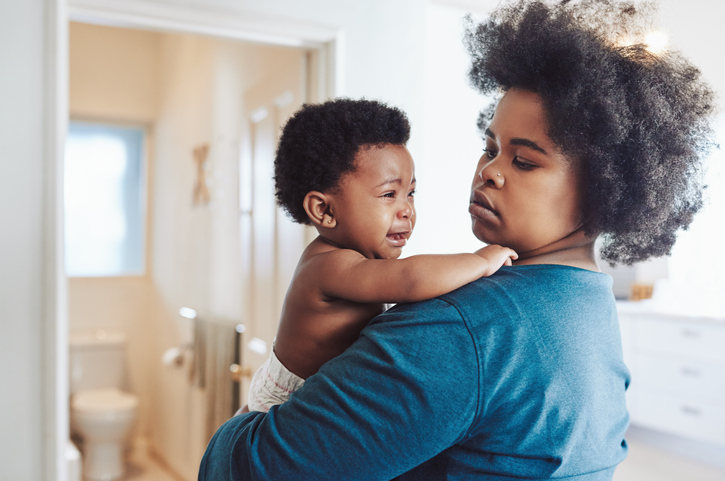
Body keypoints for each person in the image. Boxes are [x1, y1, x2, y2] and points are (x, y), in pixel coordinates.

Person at [199, 0, 716, 479]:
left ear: (604, 187)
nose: (489, 171)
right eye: (489, 147)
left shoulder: (459, 329)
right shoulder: (589, 308)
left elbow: (244, 470)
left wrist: (233, 433)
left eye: (524, 159)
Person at [243, 98, 517, 413]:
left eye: (411, 193)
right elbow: (411, 280)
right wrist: (481, 261)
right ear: (324, 210)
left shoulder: (363, 260)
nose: (407, 210)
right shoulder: (327, 265)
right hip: (286, 398)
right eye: (389, 194)